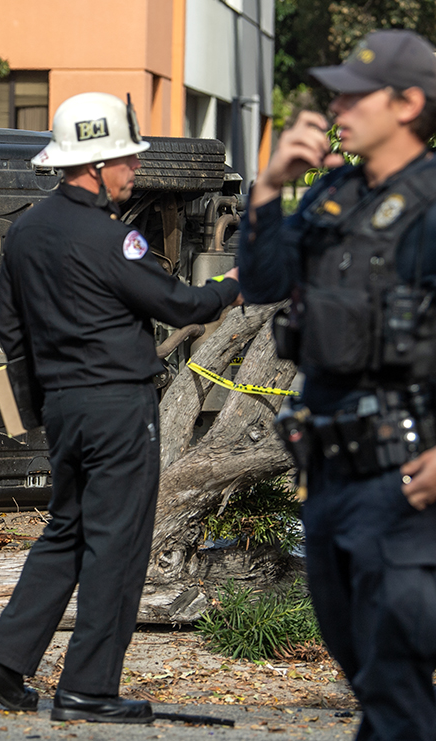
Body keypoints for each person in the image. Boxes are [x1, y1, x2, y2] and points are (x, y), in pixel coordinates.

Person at [0, 92, 242, 723]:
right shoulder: (113, 238)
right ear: (94, 165)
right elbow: (181, 305)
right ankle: (88, 688)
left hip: (63, 409)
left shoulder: (26, 232)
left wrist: (42, 401)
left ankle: (3, 665)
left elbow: (11, 329)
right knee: (118, 544)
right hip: (118, 407)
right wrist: (232, 283)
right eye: (126, 158)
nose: (135, 167)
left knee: (67, 531)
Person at [236, 29, 436, 741]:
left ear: (407, 104)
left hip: (403, 478)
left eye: (355, 95)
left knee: (394, 677)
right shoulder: (333, 192)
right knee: (368, 674)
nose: (337, 107)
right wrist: (269, 188)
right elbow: (263, 283)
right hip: (325, 473)